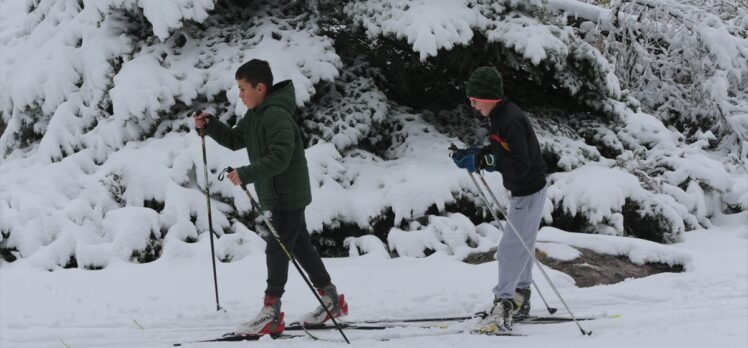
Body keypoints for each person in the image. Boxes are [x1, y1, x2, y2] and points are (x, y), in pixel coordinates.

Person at [193, 59, 348, 336]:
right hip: (278, 193)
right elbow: (234, 139)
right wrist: (210, 125)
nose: (239, 95)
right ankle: (331, 299)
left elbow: (281, 157)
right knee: (299, 245)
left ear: (260, 87)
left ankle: (270, 312)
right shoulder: (256, 115)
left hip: (287, 194)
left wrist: (247, 173)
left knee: (277, 249)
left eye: (243, 89)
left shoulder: (276, 115)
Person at [451, 66, 547, 331]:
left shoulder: (511, 119)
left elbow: (520, 164)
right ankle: (520, 295)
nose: (472, 104)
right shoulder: (499, 115)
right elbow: (500, 149)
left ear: (489, 96)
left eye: (474, 99)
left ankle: (503, 303)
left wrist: (486, 161)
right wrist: (477, 154)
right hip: (524, 191)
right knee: (522, 246)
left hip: (529, 190)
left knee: (509, 249)